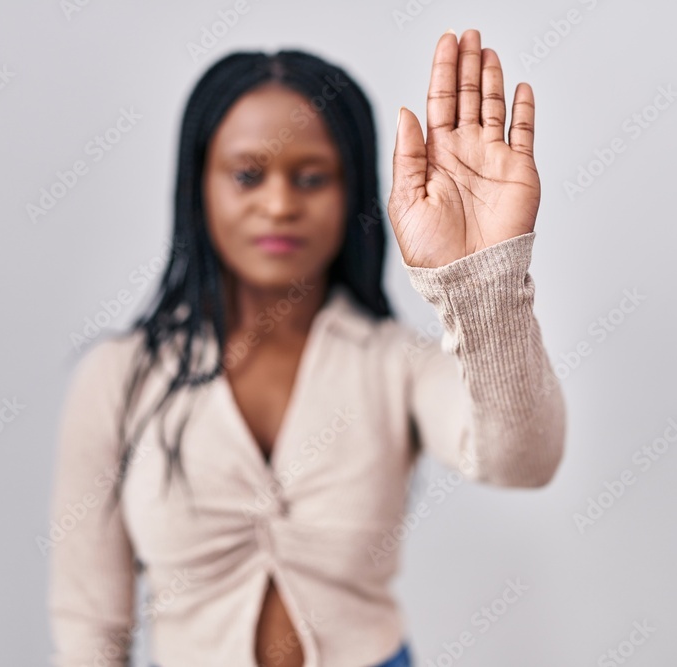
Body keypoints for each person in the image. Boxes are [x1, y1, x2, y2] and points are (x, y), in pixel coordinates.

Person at [46, 28, 566, 667]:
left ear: (352, 193)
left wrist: (484, 278)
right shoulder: (119, 377)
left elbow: (523, 461)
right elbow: (90, 619)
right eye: (247, 174)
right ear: (198, 185)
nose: (280, 204)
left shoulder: (393, 363)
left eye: (313, 177)